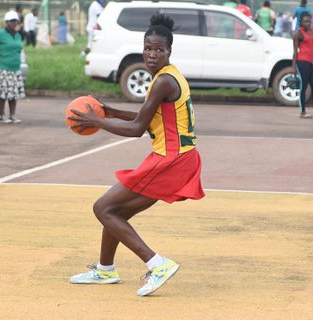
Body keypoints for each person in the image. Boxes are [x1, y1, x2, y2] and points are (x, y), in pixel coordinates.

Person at [68, 13, 204, 297]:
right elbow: (147, 118)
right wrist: (110, 111)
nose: (152, 54)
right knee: (114, 212)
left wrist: (97, 121)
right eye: (148, 48)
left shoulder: (163, 82)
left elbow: (137, 129)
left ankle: (158, 265)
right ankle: (105, 269)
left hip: (171, 160)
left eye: (159, 49)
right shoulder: (168, 76)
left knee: (102, 208)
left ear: (169, 51)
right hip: (176, 158)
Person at [292, 12, 313, 119]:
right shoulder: (298, 33)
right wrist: (293, 67)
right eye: (305, 21)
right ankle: (302, 112)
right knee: (304, 86)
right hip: (301, 62)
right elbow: (295, 51)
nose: (308, 23)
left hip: (311, 62)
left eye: (309, 21)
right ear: (301, 22)